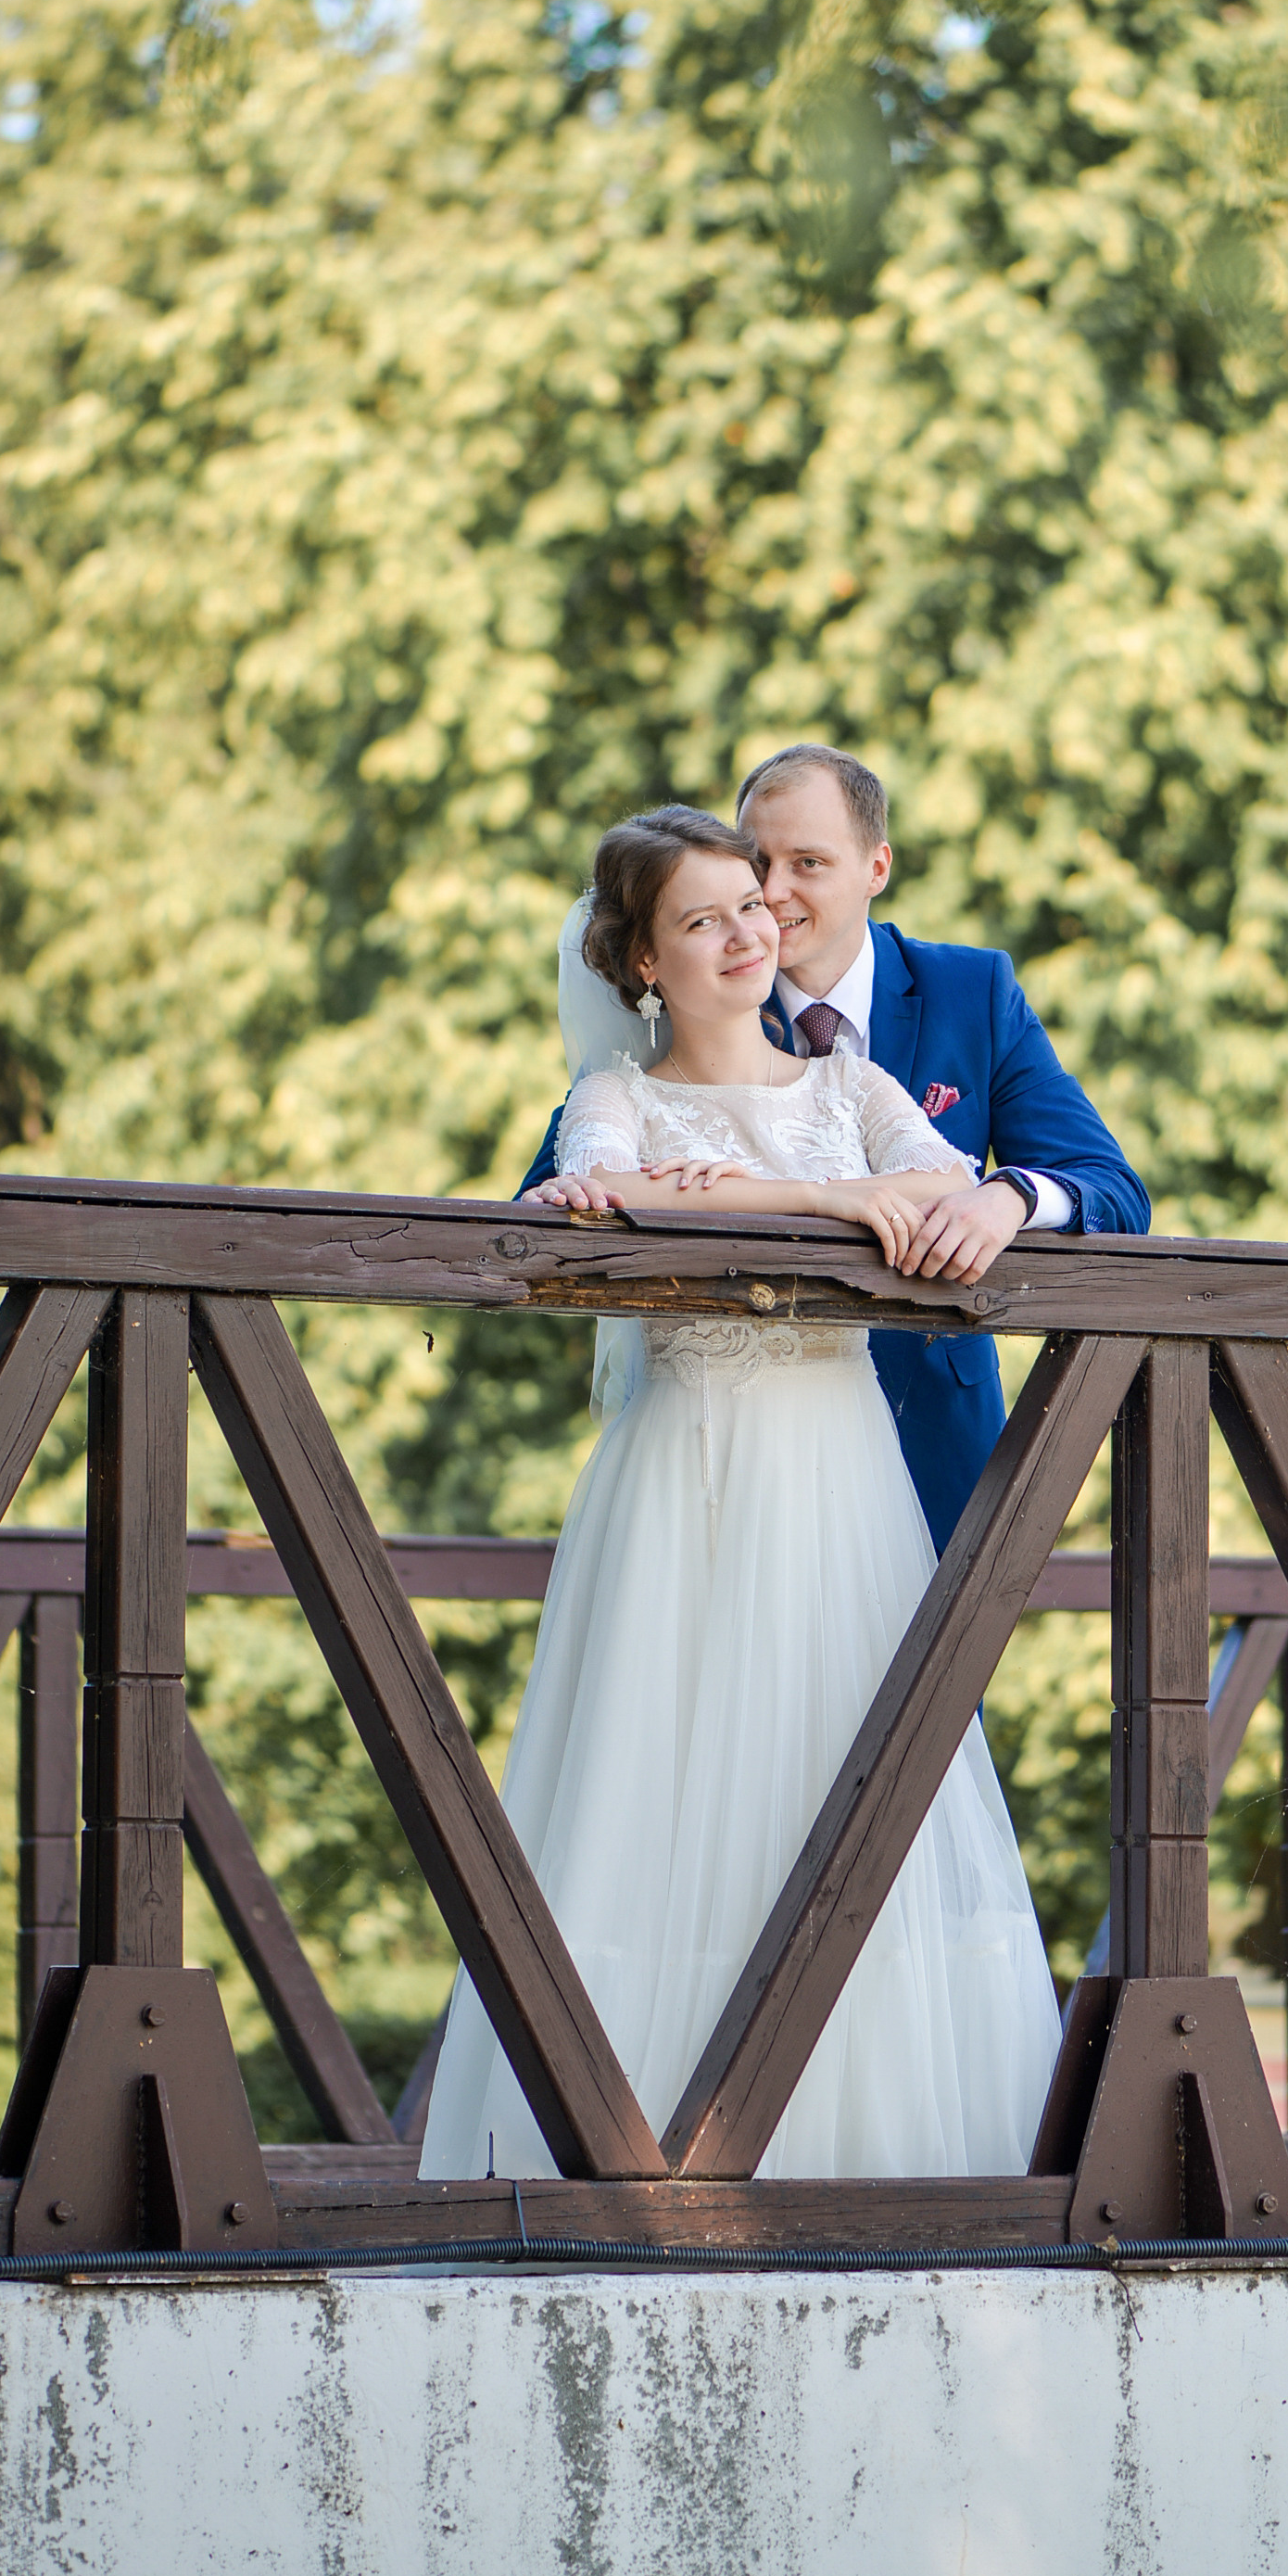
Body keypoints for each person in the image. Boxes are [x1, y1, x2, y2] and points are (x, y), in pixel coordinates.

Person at [420, 806, 1064, 2183]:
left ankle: (868, 2145)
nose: (744, 934)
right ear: (641, 962)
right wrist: (826, 1205)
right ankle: (632, 2144)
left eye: (753, 909)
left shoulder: (844, 1090)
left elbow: (942, 1201)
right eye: (702, 919)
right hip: (685, 1487)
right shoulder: (621, 1102)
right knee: (657, 1787)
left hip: (842, 1486)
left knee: (847, 1779)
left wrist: (791, 1202)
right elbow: (588, 1197)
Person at [522, 743, 1149, 1554]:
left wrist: (1005, 1198)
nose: (773, 897)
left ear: (876, 867)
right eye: (759, 864)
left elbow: (1110, 1186)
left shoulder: (972, 994)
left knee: (935, 1679)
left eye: (808, 863)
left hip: (930, 1436)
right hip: (710, 1451)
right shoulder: (683, 1019)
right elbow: (557, 1199)